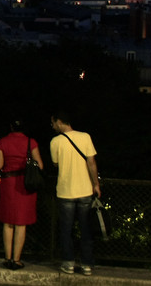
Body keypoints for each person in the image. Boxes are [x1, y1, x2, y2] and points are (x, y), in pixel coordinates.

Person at [50, 110, 101, 276]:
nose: (52, 126)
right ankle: (86, 264)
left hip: (65, 191)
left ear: (59, 122)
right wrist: (96, 185)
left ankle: (68, 263)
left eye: (53, 122)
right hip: (85, 189)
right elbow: (91, 162)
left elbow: (56, 164)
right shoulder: (85, 137)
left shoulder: (55, 141)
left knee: (66, 229)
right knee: (86, 229)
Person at [0, 120, 44, 270]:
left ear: (10, 127)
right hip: (25, 184)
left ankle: (7, 258)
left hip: (8, 183)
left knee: (8, 222)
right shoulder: (31, 142)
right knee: (21, 223)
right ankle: (16, 260)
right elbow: (40, 165)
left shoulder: (3, 142)